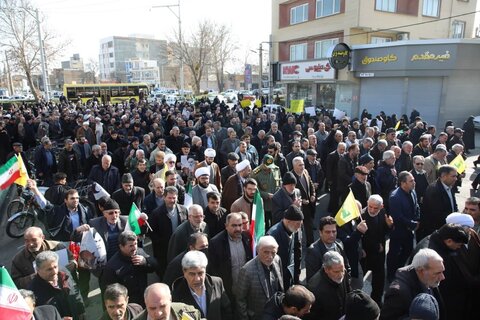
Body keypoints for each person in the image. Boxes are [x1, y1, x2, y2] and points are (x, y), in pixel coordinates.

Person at [381, 248, 446, 320]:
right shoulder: (399, 293)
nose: (442, 277)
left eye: (442, 271)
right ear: (421, 271)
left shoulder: (429, 279)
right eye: (437, 273)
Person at [100, 231, 158, 307]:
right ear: (121, 246)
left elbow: (155, 266)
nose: (134, 248)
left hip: (144, 299)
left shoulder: (139, 252)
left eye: (136, 244)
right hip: (128, 305)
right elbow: (110, 293)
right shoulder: (111, 267)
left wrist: (145, 262)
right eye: (130, 246)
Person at [172, 251, 233, 320]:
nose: (197, 279)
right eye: (192, 274)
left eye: (200, 273)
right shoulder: (177, 293)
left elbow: (227, 310)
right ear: (184, 272)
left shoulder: (217, 283)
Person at [236, 235, 284, 320]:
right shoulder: (247, 270)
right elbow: (240, 300)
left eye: (273, 253)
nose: (270, 256)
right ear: (258, 250)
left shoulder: (277, 259)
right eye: (266, 252)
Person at [208, 212, 252, 303]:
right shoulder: (216, 243)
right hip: (228, 291)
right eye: (234, 226)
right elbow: (213, 269)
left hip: (246, 288)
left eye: (240, 225)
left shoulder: (247, 237)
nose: (238, 229)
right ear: (226, 226)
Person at [29, 251, 85, 320]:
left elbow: (75, 290)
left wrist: (81, 310)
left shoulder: (63, 272)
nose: (54, 272)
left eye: (55, 267)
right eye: (49, 269)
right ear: (38, 270)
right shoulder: (33, 292)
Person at [387, 171, 420, 282]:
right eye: (411, 181)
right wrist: (412, 224)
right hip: (399, 231)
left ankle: (399, 269)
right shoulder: (395, 197)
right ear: (403, 183)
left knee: (408, 250)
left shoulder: (413, 191)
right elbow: (398, 217)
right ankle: (391, 275)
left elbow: (416, 206)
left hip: (409, 230)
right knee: (394, 253)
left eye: (414, 180)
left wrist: (417, 220)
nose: (414, 182)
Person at [148, 186, 188, 278]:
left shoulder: (184, 210)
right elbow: (152, 232)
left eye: (174, 198)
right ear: (164, 197)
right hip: (163, 250)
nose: (172, 200)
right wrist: (161, 242)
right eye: (169, 198)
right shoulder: (156, 213)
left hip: (180, 247)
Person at [360, 195, 393, 305]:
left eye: (376, 208)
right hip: (365, 254)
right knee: (359, 281)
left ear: (381, 206)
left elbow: (385, 230)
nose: (373, 210)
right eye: (370, 207)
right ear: (367, 203)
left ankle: (376, 303)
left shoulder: (383, 212)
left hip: (379, 255)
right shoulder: (361, 215)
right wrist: (375, 246)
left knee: (379, 281)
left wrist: (389, 225)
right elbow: (361, 237)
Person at [305, 251, 351, 320]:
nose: (341, 275)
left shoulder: (343, 272)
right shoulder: (314, 288)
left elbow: (348, 292)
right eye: (336, 272)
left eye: (342, 270)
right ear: (326, 269)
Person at [267, 205, 303, 290]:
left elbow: (297, 252)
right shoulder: (272, 235)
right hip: (278, 277)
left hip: (290, 274)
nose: (299, 227)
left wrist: (297, 275)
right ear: (288, 221)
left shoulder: (294, 229)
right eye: (297, 224)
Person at [420, 165, 458, 240]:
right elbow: (437, 214)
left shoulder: (449, 185)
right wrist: (454, 221)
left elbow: (453, 204)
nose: (456, 179)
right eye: (453, 176)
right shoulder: (434, 190)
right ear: (443, 176)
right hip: (437, 230)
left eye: (456, 176)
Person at [306, 216, 350, 281]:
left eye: (334, 231)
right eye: (328, 232)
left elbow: (346, 268)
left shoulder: (339, 244)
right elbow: (312, 279)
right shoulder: (313, 251)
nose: (331, 235)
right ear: (320, 233)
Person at [132, 283, 201, 320]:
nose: (159, 313)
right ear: (146, 304)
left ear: (170, 300)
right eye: (152, 308)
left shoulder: (188, 313)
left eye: (162, 306)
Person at [250, 154, 282, 229]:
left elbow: (279, 183)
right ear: (263, 164)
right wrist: (266, 195)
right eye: (268, 167)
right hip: (264, 204)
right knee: (266, 225)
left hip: (276, 203)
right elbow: (254, 190)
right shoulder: (255, 173)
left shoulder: (276, 169)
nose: (270, 169)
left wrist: (278, 192)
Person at [291, 156, 316, 245]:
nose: (302, 167)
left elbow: (311, 184)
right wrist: (301, 201)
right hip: (298, 208)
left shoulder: (305, 172)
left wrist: (313, 194)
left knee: (309, 227)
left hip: (308, 206)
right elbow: (289, 193)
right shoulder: (291, 176)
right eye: (300, 165)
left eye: (303, 164)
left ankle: (311, 244)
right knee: (298, 230)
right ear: (294, 166)